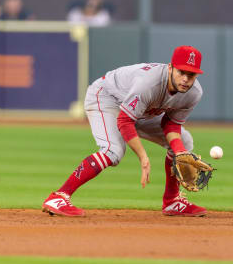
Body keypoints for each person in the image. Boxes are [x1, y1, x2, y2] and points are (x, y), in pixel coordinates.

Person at [42, 46, 207, 217]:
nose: (186, 79)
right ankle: (59, 197)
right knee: (113, 151)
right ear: (170, 67)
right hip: (107, 98)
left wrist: (179, 151)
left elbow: (171, 124)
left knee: (184, 142)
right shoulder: (149, 84)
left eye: (191, 74)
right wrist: (143, 157)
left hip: (141, 111)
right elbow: (125, 120)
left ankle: (172, 202)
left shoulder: (193, 93)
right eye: (182, 72)